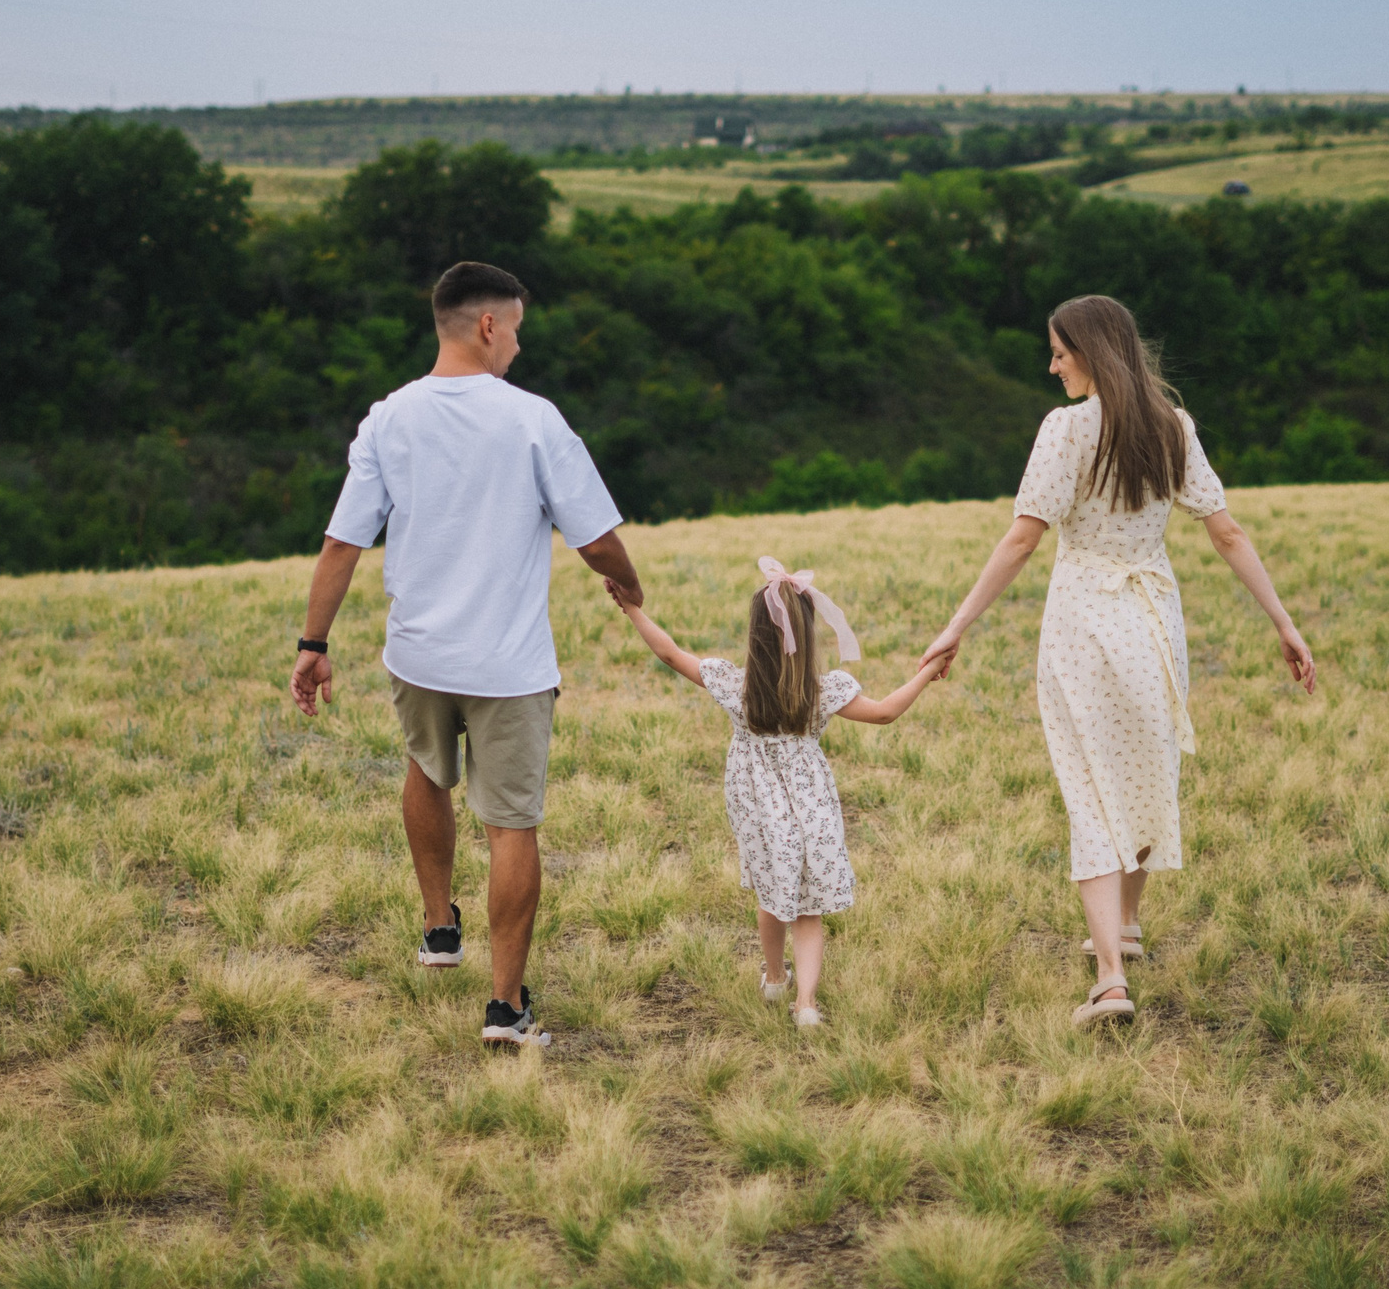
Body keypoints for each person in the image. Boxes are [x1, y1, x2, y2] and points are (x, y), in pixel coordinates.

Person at [919, 295, 1315, 1028]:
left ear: (1092, 352)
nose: (1051, 364)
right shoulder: (1173, 425)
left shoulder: (1066, 428)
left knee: (1091, 790)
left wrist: (956, 625)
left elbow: (1021, 539)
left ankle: (1108, 981)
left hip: (1084, 624)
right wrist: (1285, 623)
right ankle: (1125, 927)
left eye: (1059, 352)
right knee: (1141, 768)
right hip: (1155, 621)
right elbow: (1226, 534)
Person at [289, 261, 644, 1050]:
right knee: (512, 825)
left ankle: (437, 928)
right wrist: (630, 582)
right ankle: (505, 1007)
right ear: (488, 325)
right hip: (508, 666)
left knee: (426, 769)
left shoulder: (388, 417)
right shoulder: (533, 420)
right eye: (514, 328)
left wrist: (314, 644)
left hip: (417, 654)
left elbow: (342, 543)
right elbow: (594, 539)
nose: (517, 344)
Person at [613, 559, 949, 1028]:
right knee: (808, 907)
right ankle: (806, 1004)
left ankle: (774, 978)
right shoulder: (821, 691)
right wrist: (928, 670)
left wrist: (631, 609)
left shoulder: (738, 686)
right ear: (808, 637)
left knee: (773, 891)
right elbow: (886, 712)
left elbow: (670, 654)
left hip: (758, 809)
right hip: (811, 808)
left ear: (755, 636)